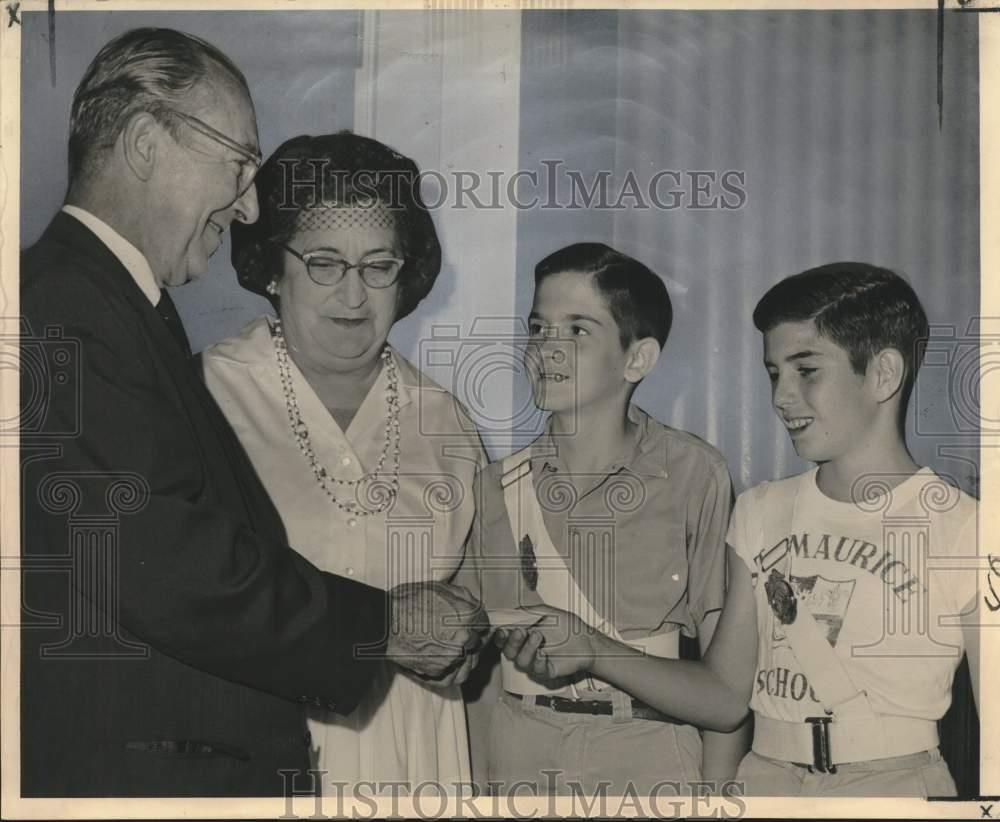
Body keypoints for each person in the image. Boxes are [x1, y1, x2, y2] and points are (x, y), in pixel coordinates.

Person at [20, 28, 487, 798]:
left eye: (379, 267)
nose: (246, 203)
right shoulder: (67, 306)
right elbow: (168, 562)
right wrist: (385, 625)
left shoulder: (110, 303)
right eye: (238, 164)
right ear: (145, 145)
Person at [501, 262, 980, 797]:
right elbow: (725, 697)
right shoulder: (760, 511)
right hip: (766, 782)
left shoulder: (966, 529)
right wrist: (591, 648)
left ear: (883, 374)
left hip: (896, 788)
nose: (781, 397)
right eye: (774, 373)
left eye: (806, 371)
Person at [201, 132, 487, 792]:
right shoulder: (208, 395)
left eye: (378, 266)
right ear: (272, 268)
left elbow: (475, 607)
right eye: (325, 264)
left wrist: (469, 639)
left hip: (414, 757)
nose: (354, 296)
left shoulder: (445, 420)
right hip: (258, 753)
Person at [460, 243, 748, 796]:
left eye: (577, 330)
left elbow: (725, 693)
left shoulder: (693, 474)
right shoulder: (495, 486)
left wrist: (716, 798)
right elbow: (482, 679)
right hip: (521, 753)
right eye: (538, 328)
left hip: (648, 757)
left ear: (637, 359)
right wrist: (480, 790)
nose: (547, 349)